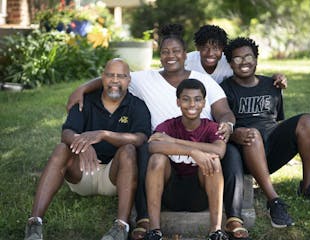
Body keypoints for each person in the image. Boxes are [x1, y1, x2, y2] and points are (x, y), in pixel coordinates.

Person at [66, 24, 250, 240]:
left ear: (185, 55)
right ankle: (144, 218)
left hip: (202, 143)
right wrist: (83, 88)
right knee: (143, 150)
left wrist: (227, 125)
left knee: (232, 152)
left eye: (176, 51)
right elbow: (115, 77)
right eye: (165, 52)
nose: (170, 56)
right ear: (159, 55)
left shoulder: (203, 82)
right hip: (162, 150)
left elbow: (224, 112)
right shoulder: (145, 79)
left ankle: (232, 218)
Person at [24, 58, 151, 240]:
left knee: (129, 150)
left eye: (121, 76)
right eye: (110, 75)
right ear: (102, 77)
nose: (115, 80)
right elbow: (67, 132)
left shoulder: (137, 105)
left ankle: (120, 227)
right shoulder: (86, 101)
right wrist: (81, 143)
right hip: (82, 172)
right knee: (62, 148)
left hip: (114, 177)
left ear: (128, 81)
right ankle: (34, 223)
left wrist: (104, 134)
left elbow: (141, 138)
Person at [220, 37, 310, 229]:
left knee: (307, 121)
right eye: (237, 59)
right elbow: (223, 126)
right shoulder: (225, 89)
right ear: (231, 64)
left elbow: (278, 121)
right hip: (246, 150)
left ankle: (308, 187)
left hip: (271, 146)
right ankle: (274, 201)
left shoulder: (271, 85)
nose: (244, 62)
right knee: (253, 134)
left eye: (248, 56)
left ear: (256, 59)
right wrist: (234, 135)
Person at [145, 79, 227, 240]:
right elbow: (153, 146)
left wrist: (175, 142)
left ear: (204, 103)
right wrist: (193, 151)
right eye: (185, 99)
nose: (192, 104)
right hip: (170, 193)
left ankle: (215, 231)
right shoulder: (167, 126)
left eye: (197, 99)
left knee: (214, 160)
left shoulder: (211, 128)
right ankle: (154, 231)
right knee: (157, 159)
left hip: (200, 194)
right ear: (177, 102)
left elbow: (219, 150)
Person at [185, 24, 287, 87]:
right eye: (205, 48)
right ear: (197, 48)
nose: (210, 53)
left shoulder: (230, 61)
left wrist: (274, 78)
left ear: (223, 48)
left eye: (216, 48)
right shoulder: (187, 61)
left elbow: (252, 78)